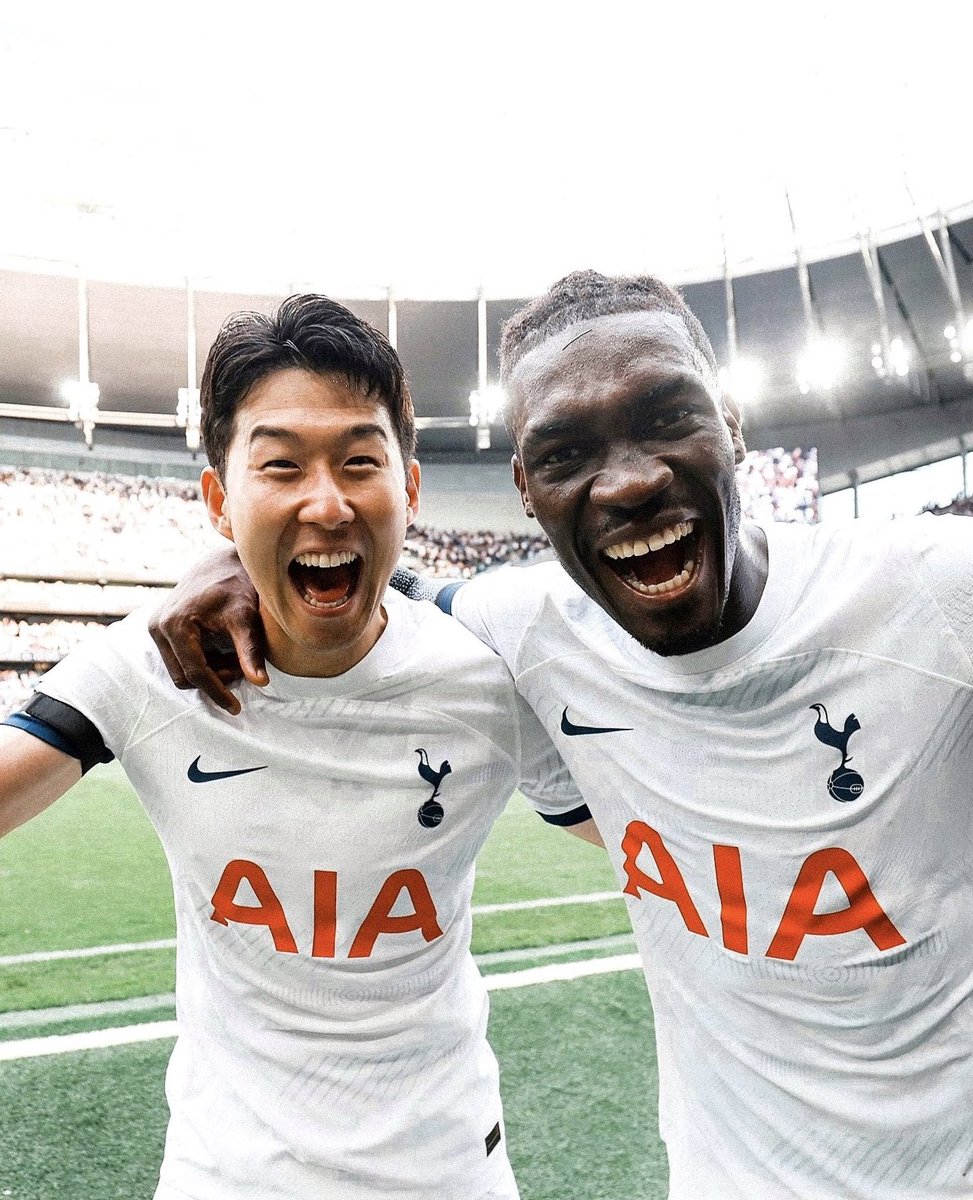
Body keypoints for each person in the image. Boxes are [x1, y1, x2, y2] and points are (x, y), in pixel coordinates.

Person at [152, 270, 973, 1200]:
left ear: (732, 422)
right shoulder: (522, 628)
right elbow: (353, 578)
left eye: (668, 417)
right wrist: (221, 559)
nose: (628, 481)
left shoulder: (936, 592)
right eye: (566, 451)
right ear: (526, 489)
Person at [0, 294, 589, 1200]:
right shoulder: (151, 664)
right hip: (225, 1175)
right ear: (218, 502)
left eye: (360, 461)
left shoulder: (488, 679)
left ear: (411, 488)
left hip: (444, 1173)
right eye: (278, 466)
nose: (326, 502)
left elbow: (650, 827)